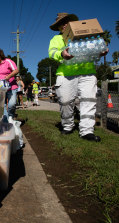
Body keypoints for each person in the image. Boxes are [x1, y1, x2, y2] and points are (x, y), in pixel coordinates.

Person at [48, 12, 108, 142]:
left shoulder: (86, 35)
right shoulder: (56, 39)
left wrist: (102, 50)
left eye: (66, 22)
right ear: (58, 28)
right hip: (65, 74)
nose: (64, 25)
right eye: (60, 24)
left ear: (72, 23)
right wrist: (61, 54)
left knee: (88, 101)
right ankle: (68, 126)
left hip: (87, 73)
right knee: (65, 101)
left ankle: (87, 131)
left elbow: (98, 47)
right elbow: (52, 52)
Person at [0, 48, 19, 120]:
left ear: (0, 55)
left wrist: (8, 77)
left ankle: (11, 116)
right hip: (0, 89)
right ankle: (7, 121)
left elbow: (16, 70)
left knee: (12, 104)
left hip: (11, 87)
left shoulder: (8, 61)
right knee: (2, 106)